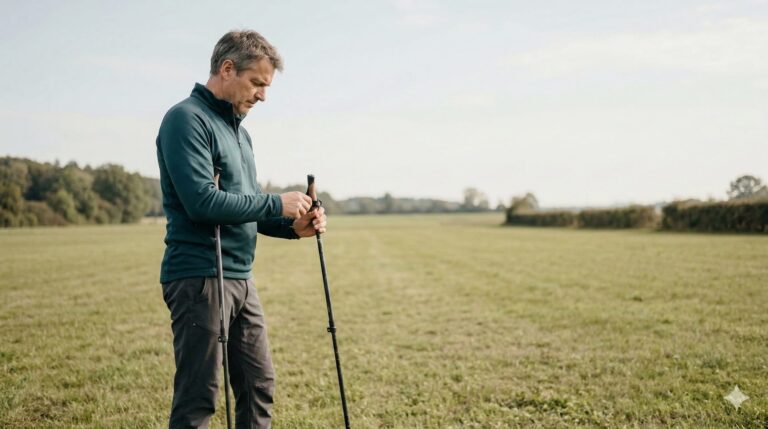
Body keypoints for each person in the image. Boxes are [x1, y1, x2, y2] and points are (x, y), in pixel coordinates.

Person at [155, 30, 326, 429]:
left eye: (267, 87)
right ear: (228, 69)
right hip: (200, 276)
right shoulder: (186, 119)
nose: (262, 96)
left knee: (258, 383)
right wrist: (276, 202)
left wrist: (294, 226)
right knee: (199, 396)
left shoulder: (240, 132)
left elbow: (245, 208)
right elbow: (202, 203)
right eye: (256, 83)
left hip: (240, 279)